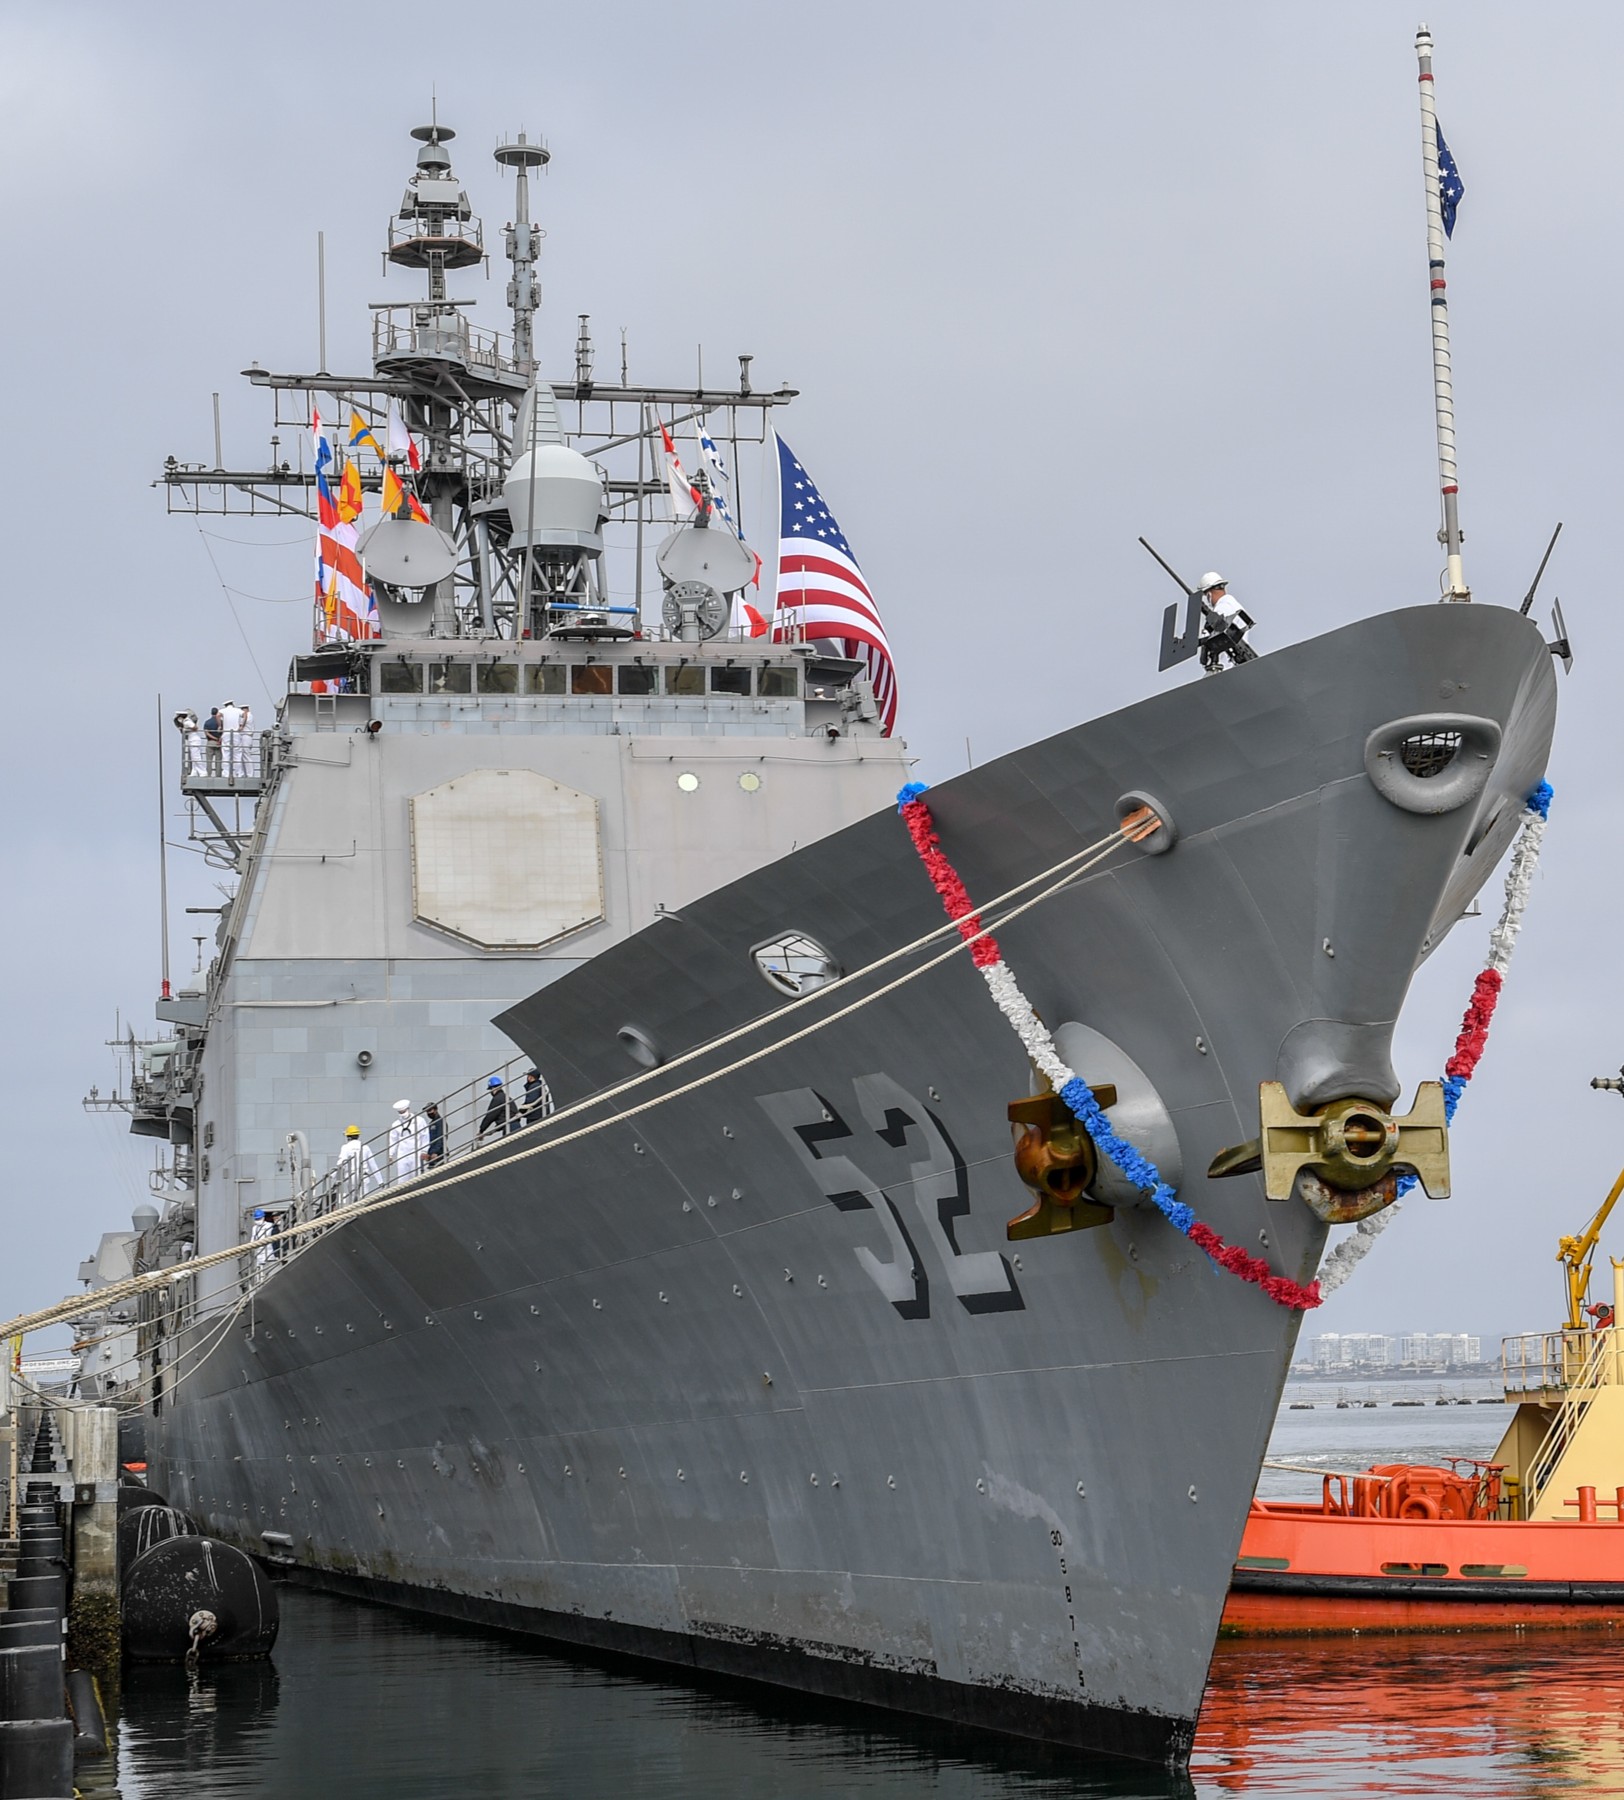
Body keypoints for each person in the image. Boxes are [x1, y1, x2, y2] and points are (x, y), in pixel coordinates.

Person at [1196, 572, 1257, 673]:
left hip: (1225, 666)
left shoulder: (1222, 608)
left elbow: (1210, 638)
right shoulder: (1234, 605)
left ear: (1209, 594)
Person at [336, 1123, 381, 1206]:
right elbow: (373, 1165)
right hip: (364, 1176)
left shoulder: (345, 1147)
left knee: (353, 1199)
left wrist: (335, 1177)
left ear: (348, 1137)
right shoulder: (365, 1147)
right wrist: (380, 1181)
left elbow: (341, 1163)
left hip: (350, 1176)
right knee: (364, 1199)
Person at [389, 1098, 428, 1182]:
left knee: (416, 1177)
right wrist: (391, 1154)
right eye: (400, 1112)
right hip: (402, 1154)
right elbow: (393, 1140)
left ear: (408, 1109)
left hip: (416, 1152)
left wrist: (424, 1151)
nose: (403, 1114)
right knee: (402, 1178)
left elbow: (425, 1136)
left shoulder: (419, 1121)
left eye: (404, 1111)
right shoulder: (396, 1124)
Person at [477, 1074, 513, 1142]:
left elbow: (490, 1116)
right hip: (513, 1125)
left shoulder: (497, 1099)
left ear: (493, 1089)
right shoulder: (507, 1097)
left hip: (509, 1127)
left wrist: (481, 1130)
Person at [219, 700, 244, 780]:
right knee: (237, 754)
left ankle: (226, 773)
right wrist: (241, 725)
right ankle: (239, 773)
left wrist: (220, 726)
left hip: (226, 733)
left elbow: (217, 715)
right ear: (232, 704)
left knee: (226, 754)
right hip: (236, 733)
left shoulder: (223, 711)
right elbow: (245, 714)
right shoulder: (238, 710)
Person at [249, 1208, 275, 1274]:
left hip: (269, 1251)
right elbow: (253, 1239)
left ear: (263, 1218)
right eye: (256, 1219)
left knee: (269, 1269)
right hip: (258, 1253)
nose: (258, 1220)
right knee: (259, 1271)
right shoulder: (254, 1228)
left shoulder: (270, 1225)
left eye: (259, 1219)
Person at [234, 701, 255, 779]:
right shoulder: (249, 715)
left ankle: (250, 774)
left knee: (246, 756)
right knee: (242, 756)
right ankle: (245, 773)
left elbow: (240, 723)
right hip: (244, 736)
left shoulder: (248, 716)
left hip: (246, 736)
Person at [203, 706, 225, 778]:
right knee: (218, 760)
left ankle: (209, 774)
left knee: (209, 760)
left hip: (210, 742)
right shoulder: (221, 722)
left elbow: (207, 733)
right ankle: (218, 775)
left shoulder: (207, 722)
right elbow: (223, 732)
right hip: (219, 743)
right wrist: (218, 739)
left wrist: (214, 738)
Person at [423, 1101, 446, 1167]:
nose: (428, 1113)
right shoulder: (431, 1123)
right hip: (431, 1154)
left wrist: (435, 1152)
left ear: (435, 1110)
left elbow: (441, 1138)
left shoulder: (440, 1122)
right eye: (427, 1111)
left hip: (439, 1154)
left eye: (430, 1110)